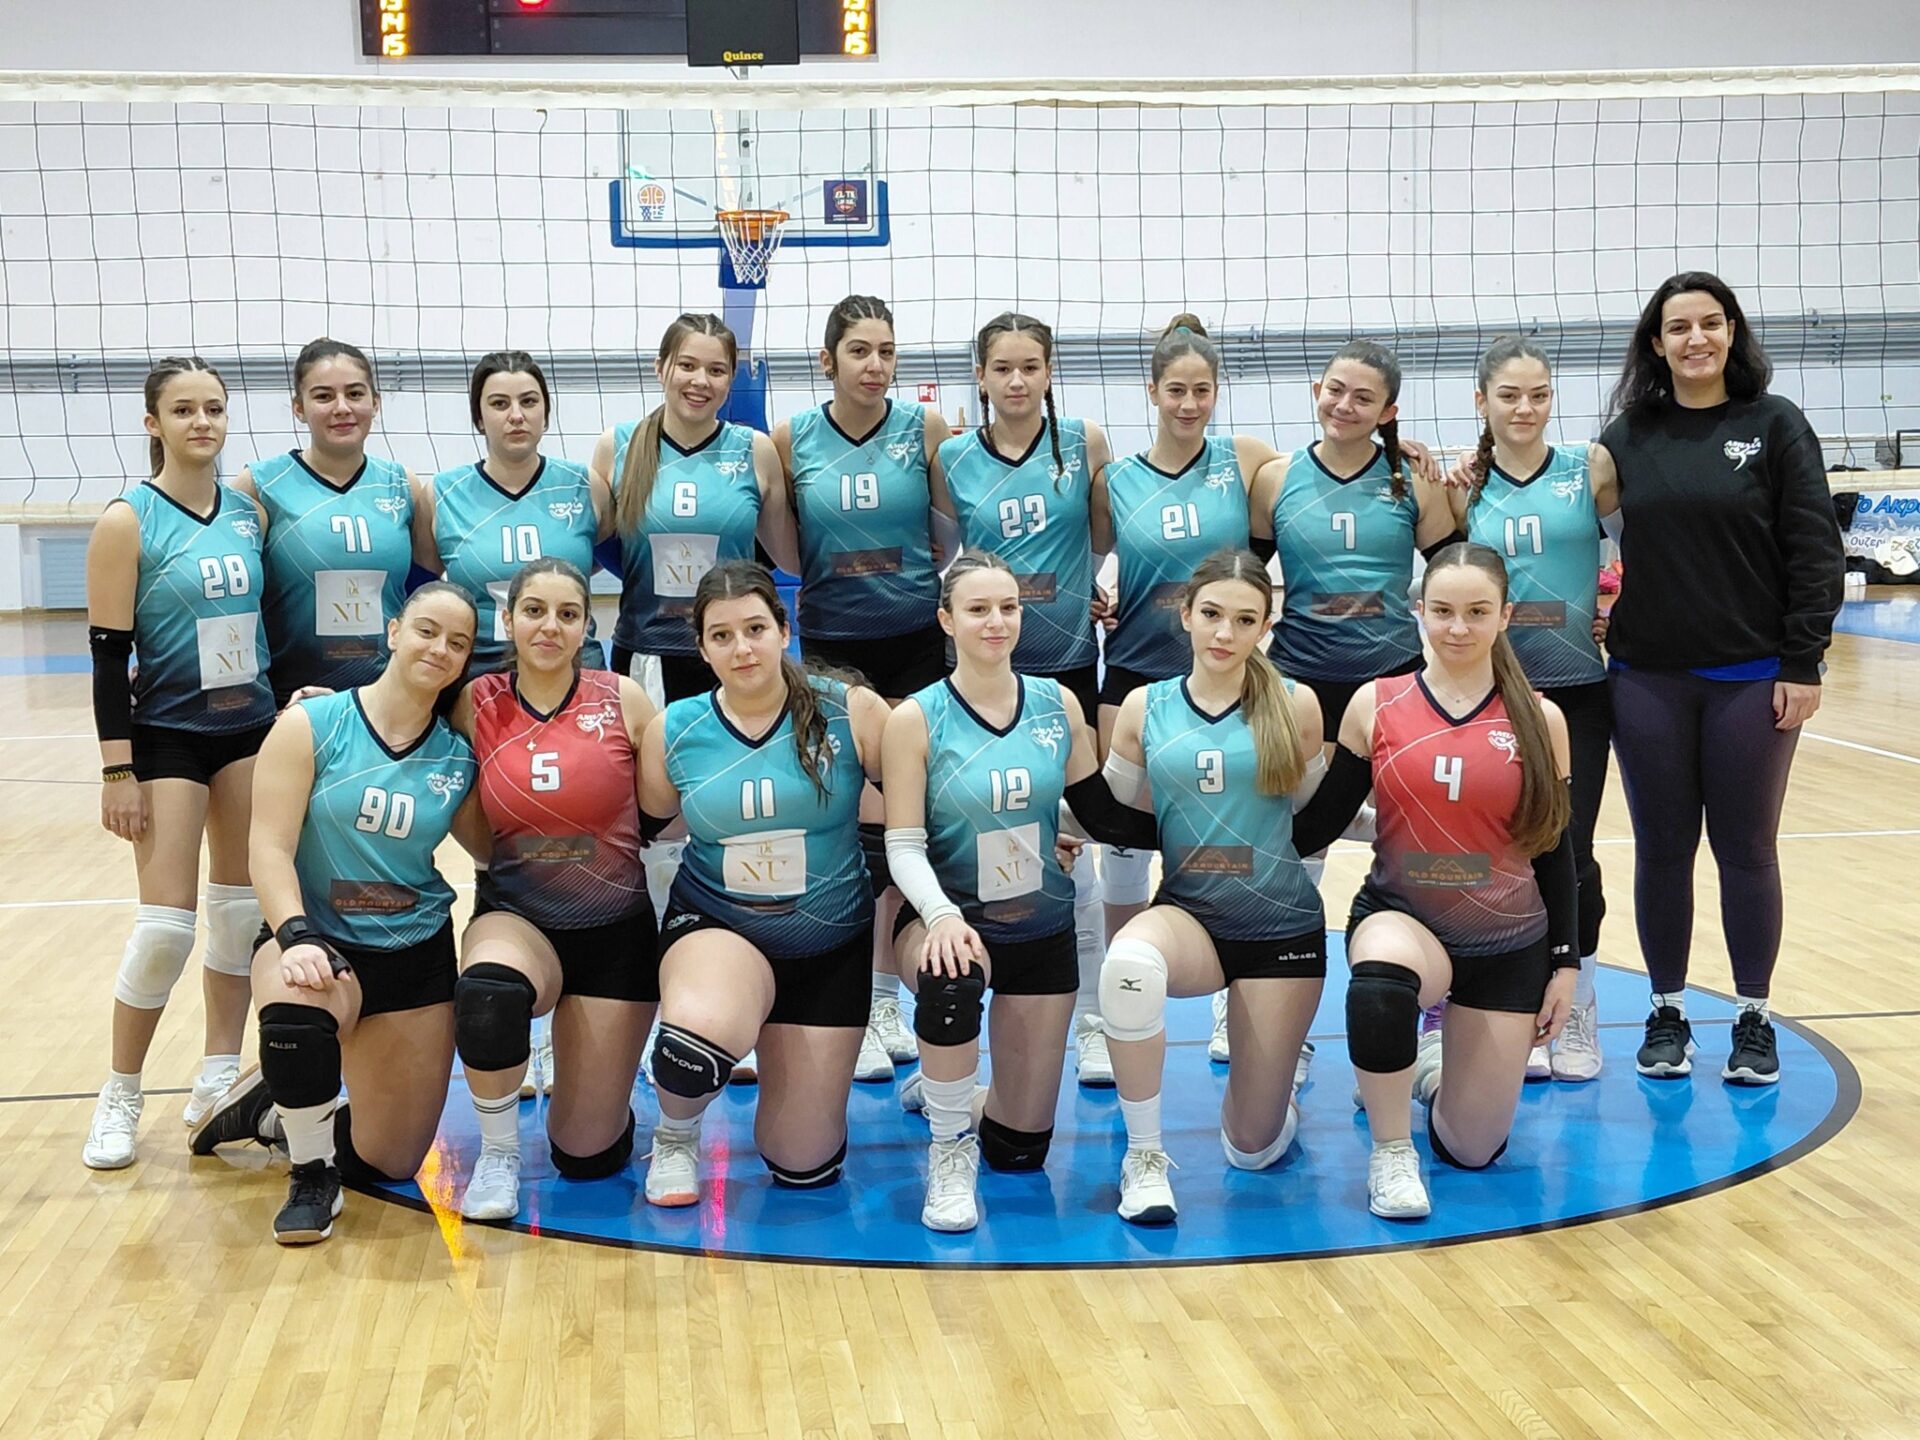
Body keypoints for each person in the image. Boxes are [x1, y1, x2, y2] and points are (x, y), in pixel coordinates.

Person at [1591, 271, 1843, 1085]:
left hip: (1753, 676)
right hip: (1647, 677)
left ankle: (1753, 1019)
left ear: (1732, 331)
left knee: (1746, 849)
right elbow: (1563, 514)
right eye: (1678, 327)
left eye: (1710, 322)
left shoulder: (1775, 424)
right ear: (1656, 343)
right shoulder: (1629, 435)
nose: (1695, 338)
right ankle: (1667, 1012)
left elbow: (1815, 548)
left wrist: (1803, 660)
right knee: (1662, 850)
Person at [1292, 542, 1578, 1220]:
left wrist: (1565, 964)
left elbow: (1556, 851)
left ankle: (1422, 1071)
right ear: (1418, 610)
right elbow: (1318, 825)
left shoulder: (1541, 719)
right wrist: (1199, 827)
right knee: (1381, 981)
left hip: (1507, 942)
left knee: (1472, 1149)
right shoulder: (1376, 704)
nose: (1458, 627)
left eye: (1477, 612)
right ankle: (1391, 1152)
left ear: (1505, 615)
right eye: (1443, 610)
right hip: (1403, 917)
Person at [190, 583, 481, 1245]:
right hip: (316, 935)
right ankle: (311, 1173)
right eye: (427, 630)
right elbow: (268, 847)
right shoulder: (312, 724)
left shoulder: (457, 756)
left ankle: (270, 1109)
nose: (439, 648)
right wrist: (295, 935)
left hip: (414, 950)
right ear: (394, 631)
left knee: (393, 1159)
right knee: (299, 998)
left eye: (458, 642)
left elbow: (493, 851)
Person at [881, 554, 1154, 1231]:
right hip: (948, 919)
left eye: (1008, 607)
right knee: (951, 980)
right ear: (947, 620)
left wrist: (1199, 832)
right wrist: (940, 915)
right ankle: (949, 1148)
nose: (996, 621)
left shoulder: (1057, 704)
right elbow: (903, 844)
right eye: (977, 609)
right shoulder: (916, 718)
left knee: (1020, 1151)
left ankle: (951, 1092)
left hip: (1040, 923)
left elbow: (1096, 814)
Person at [634, 561, 888, 1207]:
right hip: (720, 924)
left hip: (828, 939)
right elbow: (644, 828)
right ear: (701, 649)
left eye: (754, 629)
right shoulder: (676, 729)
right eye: (721, 636)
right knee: (695, 1039)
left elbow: (924, 801)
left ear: (784, 629)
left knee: (804, 1164)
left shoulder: (850, 710)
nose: (741, 648)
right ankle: (676, 1134)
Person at [1095, 549, 1328, 1224]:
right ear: (1186, 614)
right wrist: (1039, 824)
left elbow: (1321, 817)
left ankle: (1273, 1088)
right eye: (1213, 614)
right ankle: (1144, 1158)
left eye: (1245, 620)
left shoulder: (1296, 705)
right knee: (1129, 964)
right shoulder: (1144, 707)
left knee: (1252, 1149)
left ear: (1266, 627)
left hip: (1281, 929)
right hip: (1190, 916)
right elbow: (1108, 809)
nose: (1225, 633)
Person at [82, 357, 276, 1169]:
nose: (203, 422)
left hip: (250, 728)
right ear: (152, 423)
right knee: (165, 929)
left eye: (214, 408)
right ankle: (120, 1095)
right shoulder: (127, 520)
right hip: (166, 733)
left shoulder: (249, 513)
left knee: (239, 917)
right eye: (185, 409)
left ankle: (218, 1076)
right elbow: (107, 657)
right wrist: (116, 771)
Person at [773, 296, 955, 1084]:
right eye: (858, 351)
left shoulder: (925, 429)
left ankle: (887, 997)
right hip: (832, 650)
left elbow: (948, 532)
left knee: (904, 823)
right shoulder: (791, 439)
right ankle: (845, 995)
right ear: (827, 360)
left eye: (886, 351)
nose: (875, 365)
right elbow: (788, 548)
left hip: (915, 643)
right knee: (842, 824)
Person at [447, 559, 659, 1220]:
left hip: (615, 931)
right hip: (516, 915)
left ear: (587, 626)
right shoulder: (474, 700)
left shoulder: (622, 697)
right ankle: (499, 1153)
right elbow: (395, 726)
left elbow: (663, 810)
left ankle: (600, 1096)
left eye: (568, 614)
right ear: (507, 620)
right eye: (534, 611)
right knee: (488, 997)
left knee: (586, 1156)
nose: (550, 626)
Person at [1452, 336, 1619, 1082]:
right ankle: (1492, 1007)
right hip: (1487, 695)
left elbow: (1657, 538)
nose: (1525, 408)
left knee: (1572, 850)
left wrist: (1624, 605)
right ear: (1481, 402)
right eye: (1509, 395)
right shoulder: (1462, 485)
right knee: (1492, 852)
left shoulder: (1592, 468)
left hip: (1577, 690)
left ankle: (1575, 1004)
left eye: (1539, 394)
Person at [594, 313, 798, 704]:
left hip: (737, 654)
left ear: (731, 378)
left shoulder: (755, 449)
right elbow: (594, 551)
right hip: (649, 651)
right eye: (687, 365)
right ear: (660, 368)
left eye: (716, 370)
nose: (701, 381)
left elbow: (790, 557)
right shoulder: (617, 447)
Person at [234, 338, 419, 701]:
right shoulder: (260, 485)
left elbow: (420, 589)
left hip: (386, 697)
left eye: (355, 393)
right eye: (323, 396)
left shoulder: (403, 485)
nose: (342, 408)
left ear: (375, 402)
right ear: (298, 408)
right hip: (291, 696)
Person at [417, 351, 610, 674]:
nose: (516, 415)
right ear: (479, 419)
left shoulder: (585, 485)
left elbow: (613, 560)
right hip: (479, 671)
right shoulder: (442, 493)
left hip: (574, 665)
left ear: (545, 414)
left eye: (529, 401)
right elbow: (417, 589)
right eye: (499, 404)